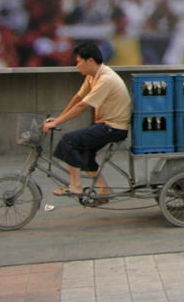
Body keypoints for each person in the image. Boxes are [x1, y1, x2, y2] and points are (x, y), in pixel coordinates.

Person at [43, 41, 131, 197]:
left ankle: (75, 186)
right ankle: (104, 189)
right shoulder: (93, 76)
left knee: (69, 140)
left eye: (78, 62)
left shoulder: (106, 79)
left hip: (113, 127)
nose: (77, 66)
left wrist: (57, 123)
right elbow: (78, 97)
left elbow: (83, 106)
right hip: (105, 124)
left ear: (90, 60)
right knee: (85, 154)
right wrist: (59, 118)